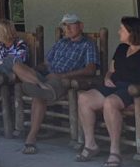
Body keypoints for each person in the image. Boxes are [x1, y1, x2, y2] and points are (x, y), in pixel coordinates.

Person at [76, 16, 140, 167]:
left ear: (133, 32)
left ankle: (115, 151)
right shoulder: (122, 48)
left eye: (122, 29)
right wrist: (107, 78)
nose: (119, 32)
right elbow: (111, 70)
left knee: (110, 102)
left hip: (136, 89)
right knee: (84, 98)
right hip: (115, 86)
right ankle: (90, 144)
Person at [13, 13, 99, 154]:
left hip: (61, 80)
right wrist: (32, 71)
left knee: (39, 96)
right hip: (45, 77)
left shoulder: (87, 44)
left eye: (71, 24)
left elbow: (91, 70)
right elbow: (46, 64)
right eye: (65, 25)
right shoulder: (61, 42)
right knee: (17, 65)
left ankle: (31, 137)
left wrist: (62, 75)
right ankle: (38, 84)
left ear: (81, 26)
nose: (67, 28)